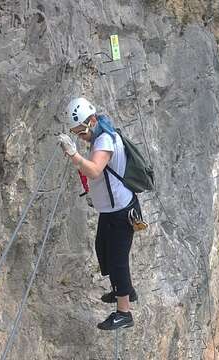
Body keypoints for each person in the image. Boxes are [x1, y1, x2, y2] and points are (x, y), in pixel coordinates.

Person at [57, 97, 138, 330]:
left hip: (120, 212)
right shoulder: (102, 131)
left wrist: (73, 154)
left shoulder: (104, 140)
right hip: (112, 209)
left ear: (91, 121)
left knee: (118, 260)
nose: (80, 135)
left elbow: (94, 170)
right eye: (76, 132)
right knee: (103, 249)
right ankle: (121, 288)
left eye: (81, 130)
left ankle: (124, 312)